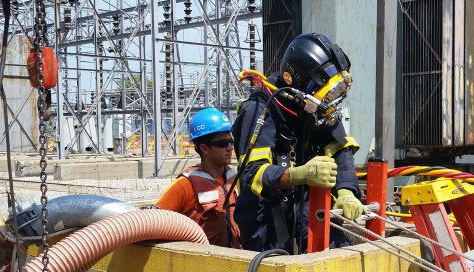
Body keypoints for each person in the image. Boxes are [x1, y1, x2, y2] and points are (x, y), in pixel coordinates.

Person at [232, 33, 364, 253]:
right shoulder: (259, 109)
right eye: (325, 96)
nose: (329, 104)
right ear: (299, 86)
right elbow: (251, 174)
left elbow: (340, 148)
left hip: (306, 207)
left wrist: (346, 190)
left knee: (337, 257)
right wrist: (299, 175)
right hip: (265, 219)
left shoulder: (316, 110)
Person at [155, 108, 241, 248]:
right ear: (204, 148)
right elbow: (154, 222)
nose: (230, 147)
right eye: (223, 143)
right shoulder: (185, 185)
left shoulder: (235, 179)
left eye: (231, 141)